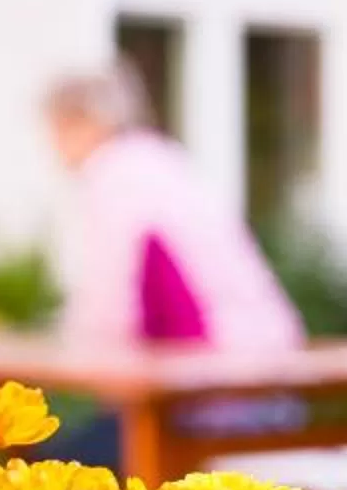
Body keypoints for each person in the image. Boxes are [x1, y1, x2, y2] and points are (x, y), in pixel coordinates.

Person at [43, 63, 305, 355]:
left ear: (83, 121)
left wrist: (69, 347)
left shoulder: (113, 173)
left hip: (215, 367)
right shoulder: (163, 160)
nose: (55, 148)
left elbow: (111, 294)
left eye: (56, 130)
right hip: (265, 350)